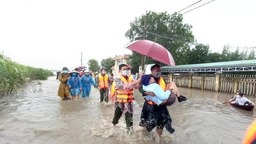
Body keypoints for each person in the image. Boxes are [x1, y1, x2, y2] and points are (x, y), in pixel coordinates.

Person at [139, 64, 187, 136]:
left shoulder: (162, 79)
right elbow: (140, 87)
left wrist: (170, 92)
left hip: (161, 105)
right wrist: (145, 92)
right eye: (157, 70)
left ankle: (160, 139)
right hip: (150, 106)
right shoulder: (147, 78)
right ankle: (144, 138)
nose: (158, 72)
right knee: (148, 124)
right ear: (152, 71)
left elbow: (164, 91)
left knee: (162, 122)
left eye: (159, 70)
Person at [110, 64, 142, 133]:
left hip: (129, 102)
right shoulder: (117, 79)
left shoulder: (131, 78)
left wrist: (140, 78)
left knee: (129, 120)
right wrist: (139, 80)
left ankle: (130, 134)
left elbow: (136, 87)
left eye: (127, 69)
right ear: (119, 71)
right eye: (124, 69)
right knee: (116, 119)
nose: (126, 71)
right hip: (119, 103)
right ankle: (113, 128)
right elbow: (125, 87)